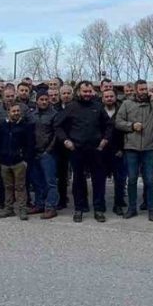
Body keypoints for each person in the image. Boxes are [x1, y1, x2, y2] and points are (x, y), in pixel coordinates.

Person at [56, 80, 112, 223]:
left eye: (89, 91)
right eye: (84, 91)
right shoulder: (71, 107)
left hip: (96, 149)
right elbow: (58, 126)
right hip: (77, 149)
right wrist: (65, 141)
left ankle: (98, 209)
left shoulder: (98, 107)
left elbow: (109, 125)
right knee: (78, 181)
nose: (87, 94)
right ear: (79, 92)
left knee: (98, 180)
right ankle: (79, 209)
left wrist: (105, 140)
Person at [115, 79, 153, 221]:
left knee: (149, 180)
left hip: (150, 147)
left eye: (146, 89)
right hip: (131, 147)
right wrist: (131, 126)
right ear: (136, 90)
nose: (144, 92)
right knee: (131, 179)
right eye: (141, 89)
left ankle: (151, 209)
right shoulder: (127, 104)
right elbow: (118, 122)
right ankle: (132, 208)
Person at [0, 101, 35, 219]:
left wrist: (26, 160)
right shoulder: (2, 125)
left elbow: (30, 144)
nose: (16, 113)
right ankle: (8, 208)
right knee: (8, 186)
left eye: (18, 111)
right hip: (5, 161)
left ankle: (22, 209)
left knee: (20, 186)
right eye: (13, 111)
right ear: (8, 112)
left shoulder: (26, 126)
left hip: (19, 162)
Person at [32, 89, 61, 219]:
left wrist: (48, 150)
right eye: (41, 99)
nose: (44, 102)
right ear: (36, 101)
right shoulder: (32, 115)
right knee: (37, 181)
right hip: (34, 152)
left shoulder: (54, 115)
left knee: (50, 181)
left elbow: (56, 135)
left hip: (48, 153)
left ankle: (51, 207)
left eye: (46, 99)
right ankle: (39, 204)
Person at [100, 88, 127, 215]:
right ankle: (100, 204)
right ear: (102, 98)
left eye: (111, 96)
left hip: (118, 150)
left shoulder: (122, 111)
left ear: (115, 97)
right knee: (100, 179)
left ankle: (118, 204)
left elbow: (125, 132)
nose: (109, 98)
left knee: (120, 180)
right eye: (107, 96)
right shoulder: (98, 111)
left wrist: (122, 149)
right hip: (101, 151)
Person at [55, 84, 74, 209]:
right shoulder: (55, 108)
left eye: (68, 93)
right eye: (64, 93)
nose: (66, 96)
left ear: (72, 95)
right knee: (61, 175)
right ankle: (62, 199)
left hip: (76, 144)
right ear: (60, 95)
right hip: (60, 145)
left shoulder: (77, 107)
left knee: (78, 174)